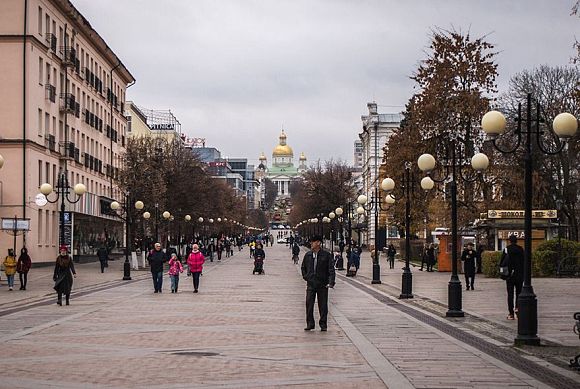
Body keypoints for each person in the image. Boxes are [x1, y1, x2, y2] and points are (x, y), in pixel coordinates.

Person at [301, 235, 335, 331]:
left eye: (313, 242)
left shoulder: (326, 255)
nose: (311, 243)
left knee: (323, 305)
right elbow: (303, 267)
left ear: (318, 243)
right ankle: (310, 323)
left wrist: (331, 282)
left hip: (322, 284)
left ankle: (323, 324)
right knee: (309, 304)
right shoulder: (308, 255)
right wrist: (307, 277)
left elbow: (331, 270)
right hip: (311, 284)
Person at [501, 235, 524, 320]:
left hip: (509, 275)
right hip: (519, 274)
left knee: (510, 294)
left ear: (509, 241)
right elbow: (524, 262)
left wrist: (503, 274)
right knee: (519, 293)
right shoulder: (520, 249)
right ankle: (518, 308)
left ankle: (511, 313)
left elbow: (502, 263)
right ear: (516, 241)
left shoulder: (507, 249)